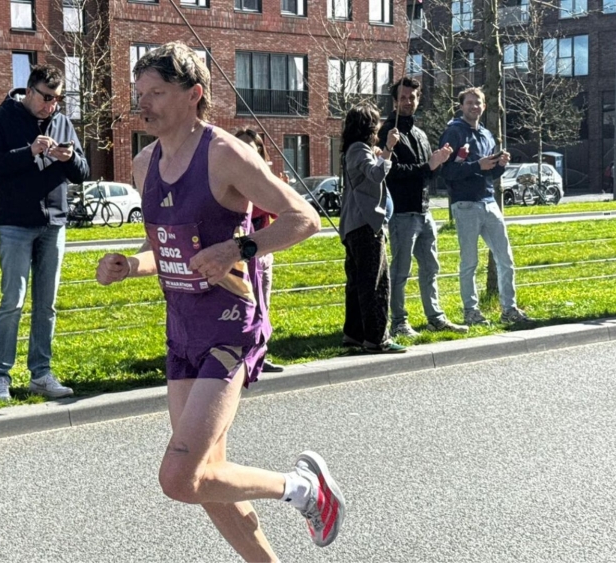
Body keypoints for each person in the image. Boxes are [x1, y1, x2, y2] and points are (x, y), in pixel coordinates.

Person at [96, 42, 345, 560]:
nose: (146, 104)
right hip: (183, 329)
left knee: (179, 477)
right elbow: (161, 248)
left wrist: (239, 246)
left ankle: (302, 488)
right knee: (210, 481)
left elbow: (304, 218)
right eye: (141, 93)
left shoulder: (225, 154)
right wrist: (129, 265)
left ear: (195, 95)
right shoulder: (144, 165)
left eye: (158, 93)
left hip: (231, 326)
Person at [0, 64, 89, 401]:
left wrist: (68, 158)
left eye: (57, 99)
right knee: (12, 302)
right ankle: (1, 377)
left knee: (47, 305)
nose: (51, 105)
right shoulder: (1, 117)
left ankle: (41, 373)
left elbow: (82, 172)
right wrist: (29, 152)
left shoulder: (63, 122)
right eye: (46, 98)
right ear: (29, 91)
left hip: (54, 223)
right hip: (15, 222)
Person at [379, 77, 467, 337]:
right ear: (395, 101)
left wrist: (441, 161)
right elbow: (391, 172)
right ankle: (399, 321)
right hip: (402, 212)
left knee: (431, 267)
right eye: (403, 97)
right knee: (401, 270)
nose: (408, 102)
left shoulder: (420, 134)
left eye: (413, 97)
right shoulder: (388, 133)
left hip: (424, 210)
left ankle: (435, 317)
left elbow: (428, 175)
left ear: (419, 99)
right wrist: (429, 165)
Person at [439, 87, 531, 326]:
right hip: (465, 205)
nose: (474, 107)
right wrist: (477, 165)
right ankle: (471, 312)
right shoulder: (453, 132)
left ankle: (509, 309)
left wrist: (500, 165)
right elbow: (446, 173)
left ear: (484, 106)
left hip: (490, 202)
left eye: (478, 102)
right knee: (469, 262)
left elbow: (489, 173)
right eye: (469, 103)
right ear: (461, 106)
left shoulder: (488, 135)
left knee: (506, 258)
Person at [339, 103, 405, 353]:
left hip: (354, 225)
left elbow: (368, 173)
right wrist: (388, 149)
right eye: (376, 123)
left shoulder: (354, 150)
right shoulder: (358, 149)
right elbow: (376, 175)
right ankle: (377, 338)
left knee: (357, 282)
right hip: (366, 225)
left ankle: (354, 334)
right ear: (369, 126)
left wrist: (379, 155)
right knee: (376, 282)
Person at [232, 127, 283, 373]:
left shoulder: (266, 179)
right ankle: (241, 357)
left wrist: (279, 191)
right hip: (238, 255)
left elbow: (277, 213)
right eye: (241, 148)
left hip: (263, 252)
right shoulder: (228, 179)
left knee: (263, 304)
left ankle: (260, 356)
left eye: (253, 150)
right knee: (244, 306)